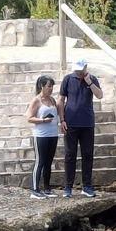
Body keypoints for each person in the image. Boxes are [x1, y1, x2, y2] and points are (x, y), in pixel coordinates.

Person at [58, 58, 103, 198]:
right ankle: (68, 187)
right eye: (76, 69)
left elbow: (100, 95)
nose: (78, 72)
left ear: (85, 68)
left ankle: (87, 186)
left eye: (81, 69)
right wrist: (62, 119)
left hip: (87, 123)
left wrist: (89, 82)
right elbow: (61, 100)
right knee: (70, 155)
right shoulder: (68, 79)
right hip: (70, 123)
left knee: (88, 155)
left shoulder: (92, 79)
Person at [25, 75, 59, 199]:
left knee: (48, 162)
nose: (51, 89)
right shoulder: (36, 100)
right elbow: (29, 117)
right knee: (40, 161)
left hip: (53, 134)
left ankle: (47, 188)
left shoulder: (52, 100)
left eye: (52, 87)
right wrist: (43, 120)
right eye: (49, 86)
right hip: (41, 135)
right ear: (42, 86)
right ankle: (34, 189)